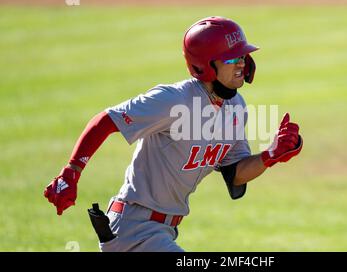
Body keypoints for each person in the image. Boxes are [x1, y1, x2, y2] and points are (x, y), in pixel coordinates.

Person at [44, 16, 303, 252]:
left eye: (243, 57)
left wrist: (271, 155)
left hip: (161, 232)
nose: (242, 63)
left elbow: (235, 173)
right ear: (206, 65)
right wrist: (72, 171)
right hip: (134, 229)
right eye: (232, 59)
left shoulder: (236, 108)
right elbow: (106, 120)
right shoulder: (175, 99)